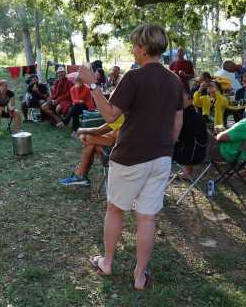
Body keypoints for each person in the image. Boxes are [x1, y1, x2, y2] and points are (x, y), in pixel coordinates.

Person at [79, 23, 184, 291]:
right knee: (147, 217)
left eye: (135, 45)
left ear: (144, 47)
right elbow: (177, 122)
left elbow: (111, 115)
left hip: (130, 156)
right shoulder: (174, 80)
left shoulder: (134, 77)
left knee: (115, 209)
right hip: (161, 157)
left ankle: (107, 262)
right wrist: (164, 147)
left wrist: (92, 85)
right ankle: (139, 276)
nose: (133, 49)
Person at [58, 114, 124, 187]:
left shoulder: (123, 116)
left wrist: (81, 130)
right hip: (120, 151)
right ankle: (81, 175)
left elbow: (101, 133)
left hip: (119, 156)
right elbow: (110, 135)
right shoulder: (126, 115)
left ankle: (80, 175)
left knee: (89, 141)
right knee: (90, 142)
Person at [206, 92, 246, 165]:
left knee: (201, 127)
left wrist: (220, 133)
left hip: (222, 153)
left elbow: (220, 138)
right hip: (238, 157)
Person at [174, 91, 208, 178]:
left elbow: (177, 137)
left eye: (181, 99)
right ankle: (187, 171)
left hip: (189, 156)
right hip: (201, 154)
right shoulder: (195, 114)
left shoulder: (184, 115)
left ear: (190, 100)